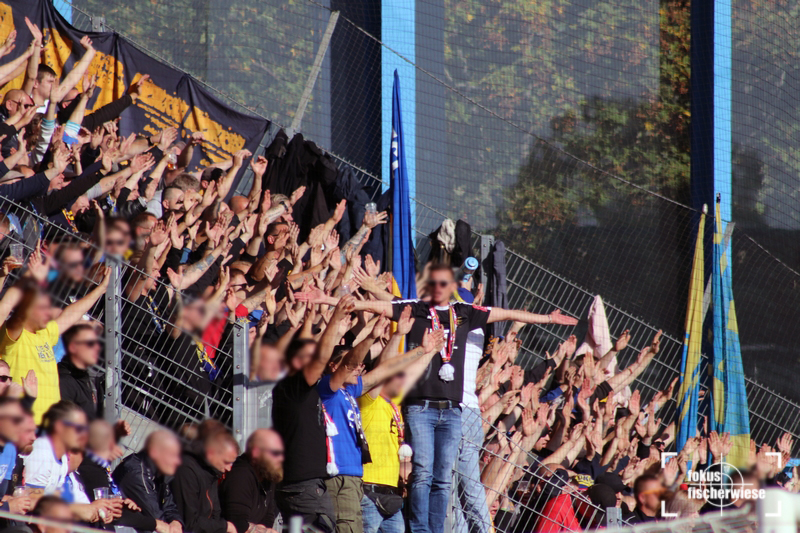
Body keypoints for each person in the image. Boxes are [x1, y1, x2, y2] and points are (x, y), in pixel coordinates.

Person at [296, 264, 578, 533]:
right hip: (421, 407)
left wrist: (547, 319)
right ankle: (421, 528)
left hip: (452, 410)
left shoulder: (465, 312)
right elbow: (372, 305)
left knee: (443, 478)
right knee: (422, 474)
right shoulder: (417, 308)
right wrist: (327, 300)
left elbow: (505, 313)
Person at [0, 269, 110, 423]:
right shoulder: (13, 336)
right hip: (24, 423)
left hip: (48, 426)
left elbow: (71, 314)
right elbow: (17, 316)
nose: (49, 313)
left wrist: (101, 289)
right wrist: (32, 281)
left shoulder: (44, 333)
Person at [113, 430, 184, 533]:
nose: (177, 461)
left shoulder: (161, 471)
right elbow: (156, 519)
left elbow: (169, 506)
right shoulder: (137, 474)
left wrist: (176, 522)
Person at [171, 430, 239, 533]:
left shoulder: (212, 472)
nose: (229, 469)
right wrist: (226, 527)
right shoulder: (187, 470)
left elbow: (215, 514)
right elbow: (190, 522)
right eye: (226, 462)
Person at [219, 429, 283, 533]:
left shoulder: (268, 474)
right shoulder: (240, 475)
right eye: (275, 453)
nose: (280, 458)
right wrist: (263, 531)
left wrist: (263, 529)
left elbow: (268, 518)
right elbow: (237, 522)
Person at [25, 401, 86, 499]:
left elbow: (56, 499)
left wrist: (92, 507)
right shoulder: (42, 452)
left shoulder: (63, 457)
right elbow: (32, 500)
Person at [57, 324, 101, 419]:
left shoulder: (93, 379)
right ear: (73, 347)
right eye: (90, 344)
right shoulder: (64, 381)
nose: (97, 348)